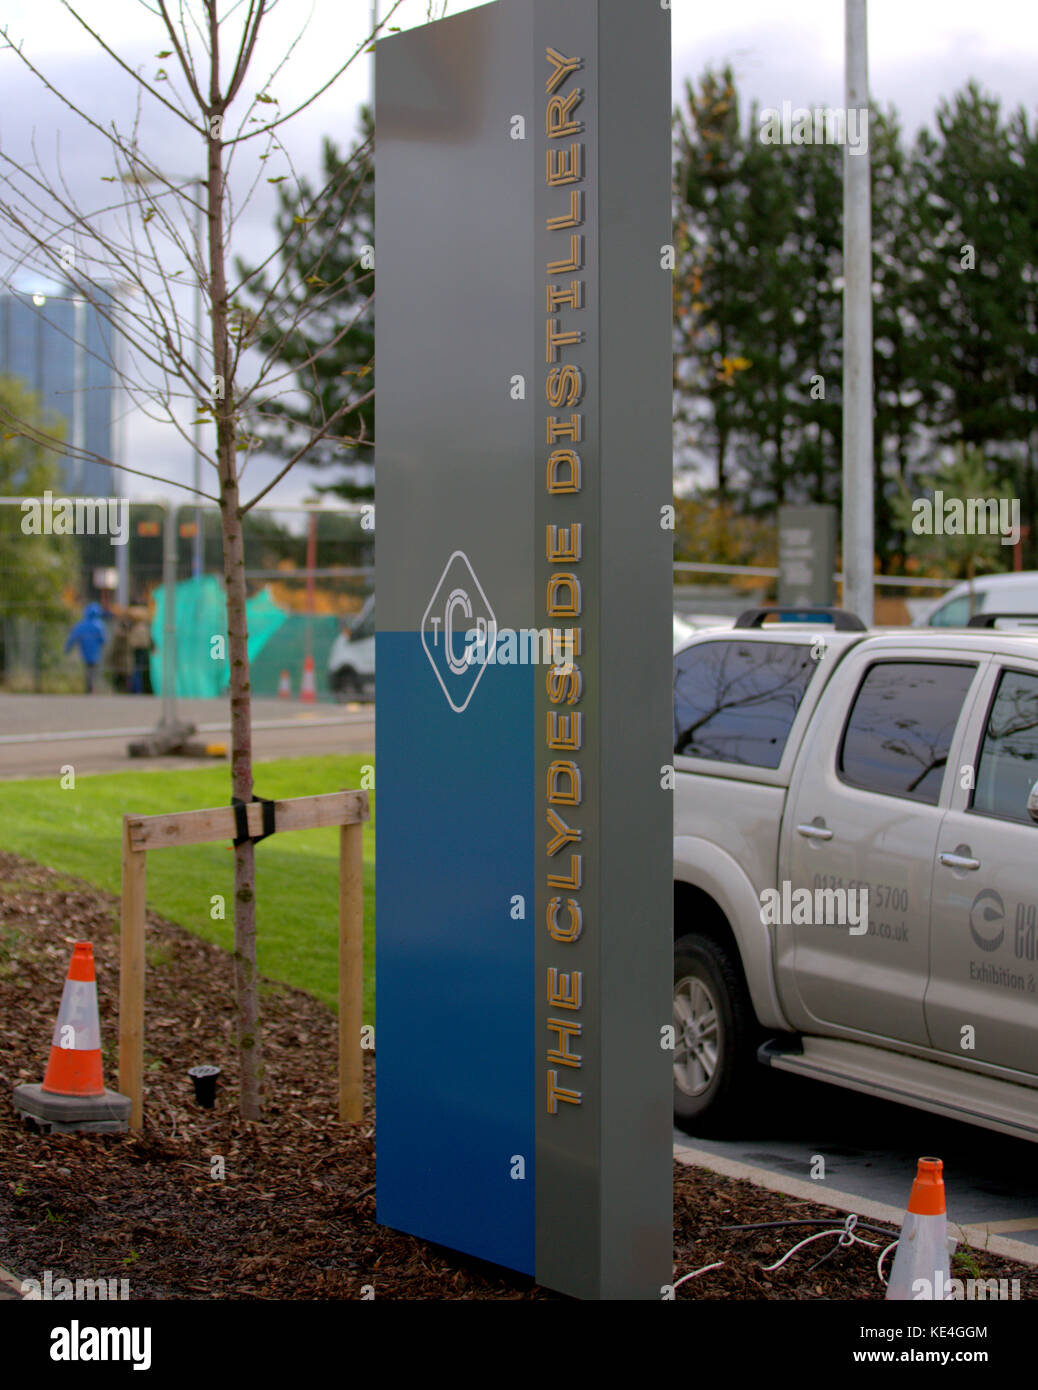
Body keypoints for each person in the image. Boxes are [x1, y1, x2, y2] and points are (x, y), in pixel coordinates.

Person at [64, 602, 107, 694]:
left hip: (85, 651)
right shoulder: (99, 625)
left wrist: (67, 649)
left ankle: (89, 687)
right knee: (93, 669)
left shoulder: (82, 625)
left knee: (88, 669)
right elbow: (103, 640)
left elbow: (73, 637)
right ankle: (92, 687)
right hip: (96, 652)